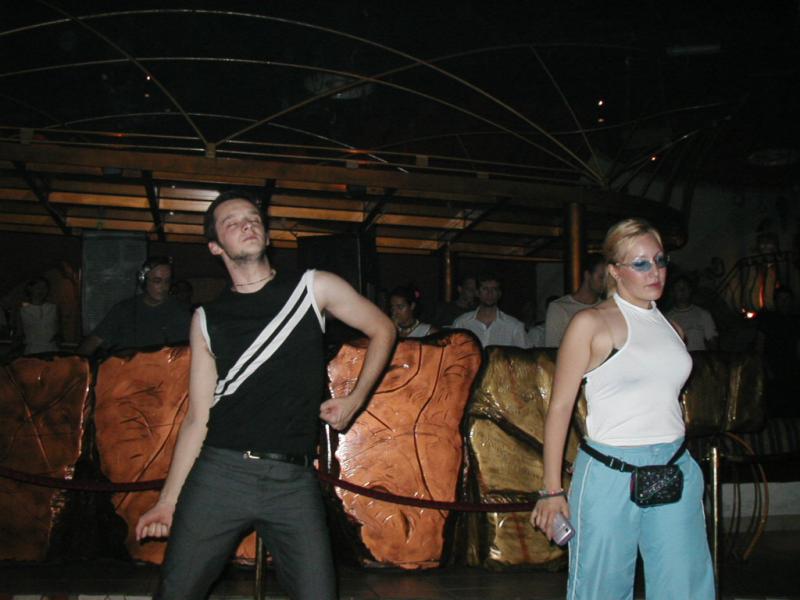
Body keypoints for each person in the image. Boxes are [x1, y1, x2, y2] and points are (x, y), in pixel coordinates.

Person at [135, 190, 396, 599]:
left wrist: (355, 399)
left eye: (253, 218)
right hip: (221, 472)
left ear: (267, 234)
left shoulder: (313, 287)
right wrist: (167, 501)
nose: (246, 224)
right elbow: (197, 418)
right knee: (177, 591)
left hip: (292, 480)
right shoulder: (207, 318)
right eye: (232, 222)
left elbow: (383, 328)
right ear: (215, 246)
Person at [530, 218, 715, 599]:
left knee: (684, 587)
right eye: (641, 263)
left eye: (660, 260)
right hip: (610, 470)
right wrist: (551, 490)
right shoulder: (591, 323)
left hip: (674, 464)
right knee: (601, 588)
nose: (655, 272)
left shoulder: (673, 329)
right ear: (615, 270)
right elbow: (560, 406)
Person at [76, 257, 191, 356]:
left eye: (167, 281)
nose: (164, 287)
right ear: (143, 280)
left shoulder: (181, 313)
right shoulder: (123, 310)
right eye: (157, 281)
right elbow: (93, 342)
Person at [544, 253, 606, 347]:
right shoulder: (560, 307)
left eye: (608, 279)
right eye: (601, 277)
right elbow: (552, 348)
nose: (605, 283)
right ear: (587, 275)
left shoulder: (606, 307)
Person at [756, 286, 800, 417]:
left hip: (792, 368)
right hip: (772, 368)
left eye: (787, 299)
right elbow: (759, 346)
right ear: (775, 301)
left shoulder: (795, 320)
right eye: (781, 299)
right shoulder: (768, 320)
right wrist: (766, 368)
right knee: (774, 406)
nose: (784, 302)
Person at [452, 273, 527, 347]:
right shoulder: (462, 323)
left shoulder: (514, 327)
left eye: (494, 289)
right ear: (477, 293)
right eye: (485, 289)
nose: (490, 293)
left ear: (499, 293)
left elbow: (525, 354)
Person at [666, 274, 718, 351]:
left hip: (699, 357)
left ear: (690, 290)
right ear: (673, 292)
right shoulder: (667, 318)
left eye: (685, 287)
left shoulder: (703, 314)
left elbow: (713, 343)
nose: (682, 291)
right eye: (678, 288)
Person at [13, 276, 60, 354]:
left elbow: (57, 330)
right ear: (30, 289)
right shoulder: (23, 310)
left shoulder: (53, 308)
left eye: (44, 287)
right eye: (38, 287)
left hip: (51, 350)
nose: (42, 290)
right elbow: (19, 333)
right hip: (31, 350)